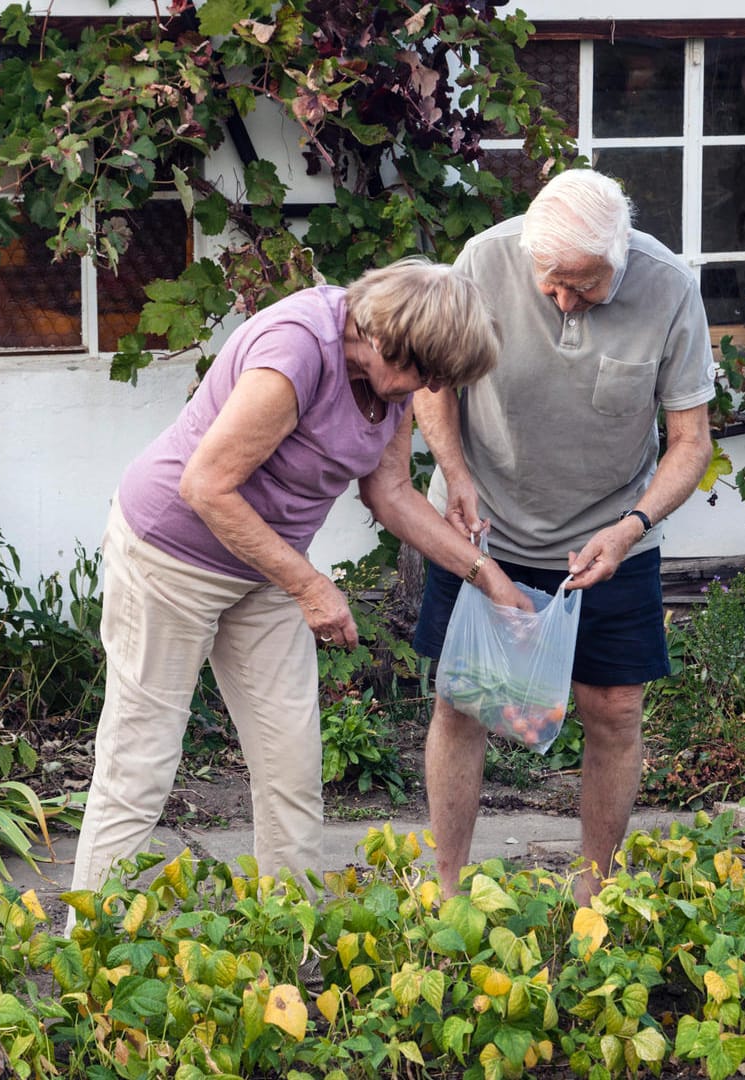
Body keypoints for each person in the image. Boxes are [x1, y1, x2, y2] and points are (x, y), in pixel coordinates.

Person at [71, 258, 531, 894]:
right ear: (390, 339)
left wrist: (488, 577)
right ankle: (87, 956)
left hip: (265, 570)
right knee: (139, 765)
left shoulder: (390, 381)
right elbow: (205, 485)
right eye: (426, 374)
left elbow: (392, 491)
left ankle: (292, 949)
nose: (427, 390)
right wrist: (311, 586)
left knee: (292, 766)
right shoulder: (296, 350)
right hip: (171, 559)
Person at [413, 169, 716, 906]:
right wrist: (454, 473)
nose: (561, 300)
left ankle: (593, 895)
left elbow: (690, 441)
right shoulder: (484, 263)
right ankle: (446, 889)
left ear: (620, 255)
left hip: (612, 540)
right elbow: (429, 385)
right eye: (549, 280)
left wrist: (633, 525)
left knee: (614, 712)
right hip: (485, 527)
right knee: (462, 702)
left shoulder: (670, 287)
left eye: (582, 284)